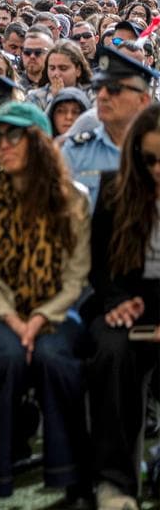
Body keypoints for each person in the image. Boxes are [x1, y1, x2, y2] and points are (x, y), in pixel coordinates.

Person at [0, 102, 93, 508]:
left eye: (14, 136)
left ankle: (74, 479)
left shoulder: (74, 198)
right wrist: (14, 321)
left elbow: (76, 276)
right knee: (4, 356)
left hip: (55, 308)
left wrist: (39, 319)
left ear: (39, 142)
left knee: (55, 356)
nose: (3, 145)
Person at [83, 102, 160, 510]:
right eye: (149, 160)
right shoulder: (115, 188)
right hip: (127, 297)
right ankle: (113, 481)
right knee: (111, 353)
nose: (158, 169)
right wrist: (115, 301)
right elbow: (98, 262)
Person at [62, 47, 159, 207]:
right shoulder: (76, 151)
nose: (102, 96)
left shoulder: (154, 150)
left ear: (143, 100)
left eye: (114, 89)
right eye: (98, 87)